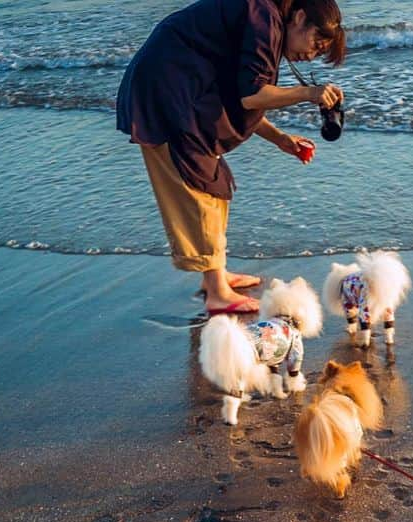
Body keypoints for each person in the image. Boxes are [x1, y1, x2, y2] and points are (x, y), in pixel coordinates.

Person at [117, 0, 346, 314]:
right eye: (316, 43)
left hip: (181, 90)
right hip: (166, 94)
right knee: (199, 185)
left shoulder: (266, 23)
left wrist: (280, 138)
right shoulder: (265, 19)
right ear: (301, 17)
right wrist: (309, 93)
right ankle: (216, 293)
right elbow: (252, 95)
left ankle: (216, 277)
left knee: (215, 184)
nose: (311, 55)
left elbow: (240, 98)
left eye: (320, 52)